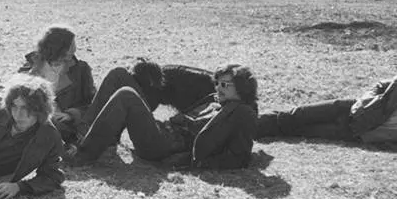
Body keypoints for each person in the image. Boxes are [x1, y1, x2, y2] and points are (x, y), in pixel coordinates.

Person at [254, 50, 397, 152]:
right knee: (297, 114)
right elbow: (380, 86)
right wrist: (366, 101)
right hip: (350, 109)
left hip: (360, 133)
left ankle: (253, 131)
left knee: (302, 130)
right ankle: (248, 126)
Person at [70, 64, 259, 170]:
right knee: (118, 75)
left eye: (225, 85)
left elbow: (239, 157)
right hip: (162, 131)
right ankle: (84, 133)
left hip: (164, 146)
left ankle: (83, 155)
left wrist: (191, 161)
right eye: (218, 83)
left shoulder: (242, 113)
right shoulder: (216, 101)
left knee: (126, 95)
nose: (218, 88)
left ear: (241, 87)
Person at [19, 26, 97, 144]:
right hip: (34, 119)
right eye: (69, 45)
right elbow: (15, 93)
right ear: (56, 47)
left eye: (74, 44)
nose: (74, 49)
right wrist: (34, 72)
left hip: (66, 127)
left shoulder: (81, 69)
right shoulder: (32, 65)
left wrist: (71, 114)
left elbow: (94, 104)